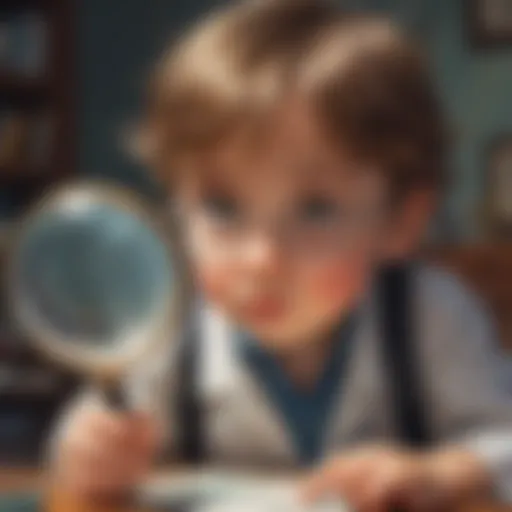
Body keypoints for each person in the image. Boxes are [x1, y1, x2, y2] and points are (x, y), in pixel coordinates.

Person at [49, 0, 512, 510]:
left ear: (401, 220)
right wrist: (91, 452)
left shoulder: (431, 317)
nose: (260, 258)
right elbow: (81, 438)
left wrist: (442, 472)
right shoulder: (172, 333)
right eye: (222, 207)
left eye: (316, 210)